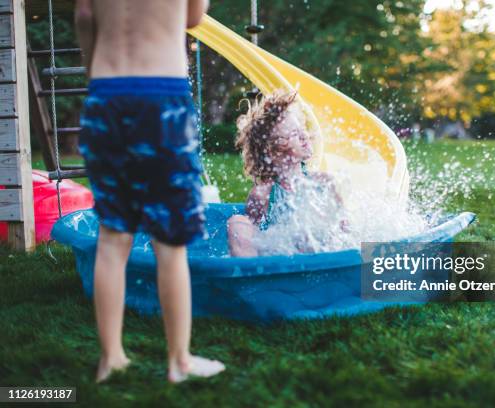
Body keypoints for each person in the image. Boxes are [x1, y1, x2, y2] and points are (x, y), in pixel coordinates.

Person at [75, 0, 225, 383]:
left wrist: (97, 76)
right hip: (161, 93)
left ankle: (111, 358)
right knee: (169, 241)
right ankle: (179, 361)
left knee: (112, 236)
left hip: (105, 92)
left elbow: (85, 17)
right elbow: (193, 18)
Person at [227, 91, 348, 257]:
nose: (305, 136)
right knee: (237, 223)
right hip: (281, 258)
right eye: (294, 135)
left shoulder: (324, 183)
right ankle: (251, 277)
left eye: (302, 130)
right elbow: (257, 236)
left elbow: (344, 231)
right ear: (272, 151)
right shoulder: (264, 194)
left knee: (314, 229)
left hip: (320, 255)